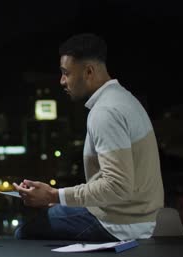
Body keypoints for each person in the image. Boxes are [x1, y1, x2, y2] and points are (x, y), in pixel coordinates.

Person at [13, 33, 164, 241]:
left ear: (89, 71)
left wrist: (53, 195)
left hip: (119, 224)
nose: (62, 81)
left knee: (23, 234)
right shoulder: (125, 99)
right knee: (52, 215)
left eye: (66, 73)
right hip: (139, 217)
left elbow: (117, 186)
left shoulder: (105, 112)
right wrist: (61, 200)